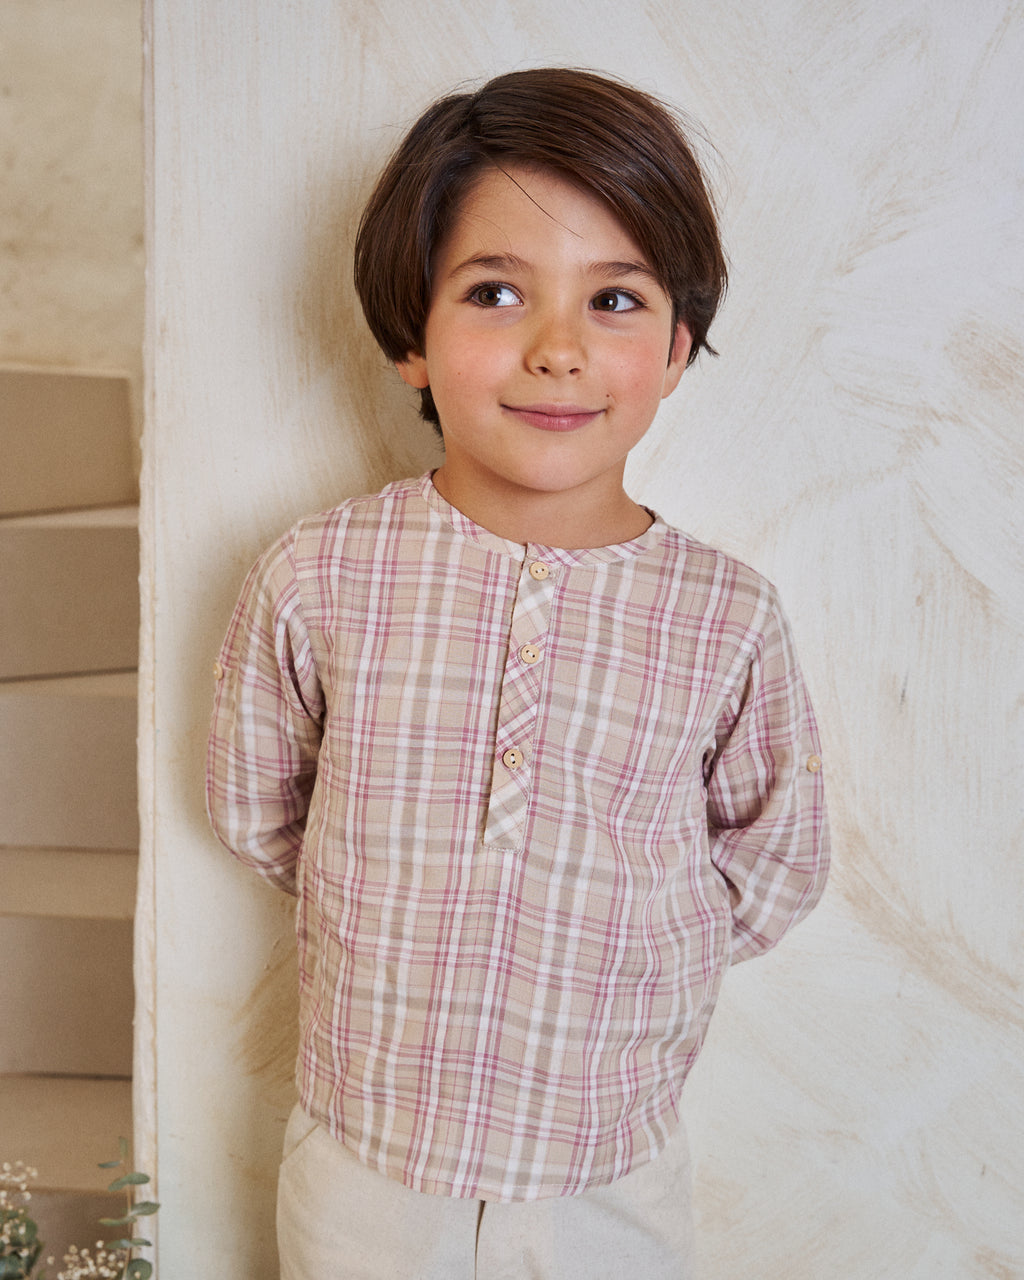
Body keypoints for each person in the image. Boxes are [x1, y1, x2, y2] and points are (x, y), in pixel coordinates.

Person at [206, 67, 829, 1279]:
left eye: (614, 299)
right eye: (496, 292)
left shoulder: (724, 613)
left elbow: (774, 850)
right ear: (411, 338)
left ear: (677, 342)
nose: (557, 350)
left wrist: (647, 946)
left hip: (610, 1159)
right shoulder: (321, 572)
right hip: (367, 1153)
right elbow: (260, 803)